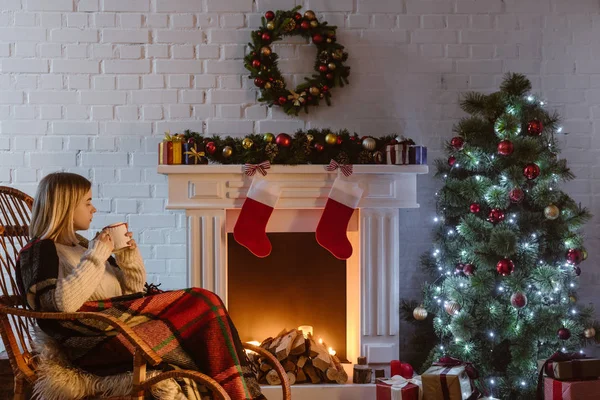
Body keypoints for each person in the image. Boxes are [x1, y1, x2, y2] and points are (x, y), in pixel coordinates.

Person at [18, 172, 265, 400]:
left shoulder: (83, 246)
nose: (94, 209)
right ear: (66, 205)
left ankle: (235, 391)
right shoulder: (41, 251)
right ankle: (243, 394)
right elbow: (60, 304)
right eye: (87, 202)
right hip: (94, 343)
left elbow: (132, 296)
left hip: (121, 329)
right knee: (203, 302)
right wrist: (97, 256)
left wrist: (127, 258)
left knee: (204, 310)